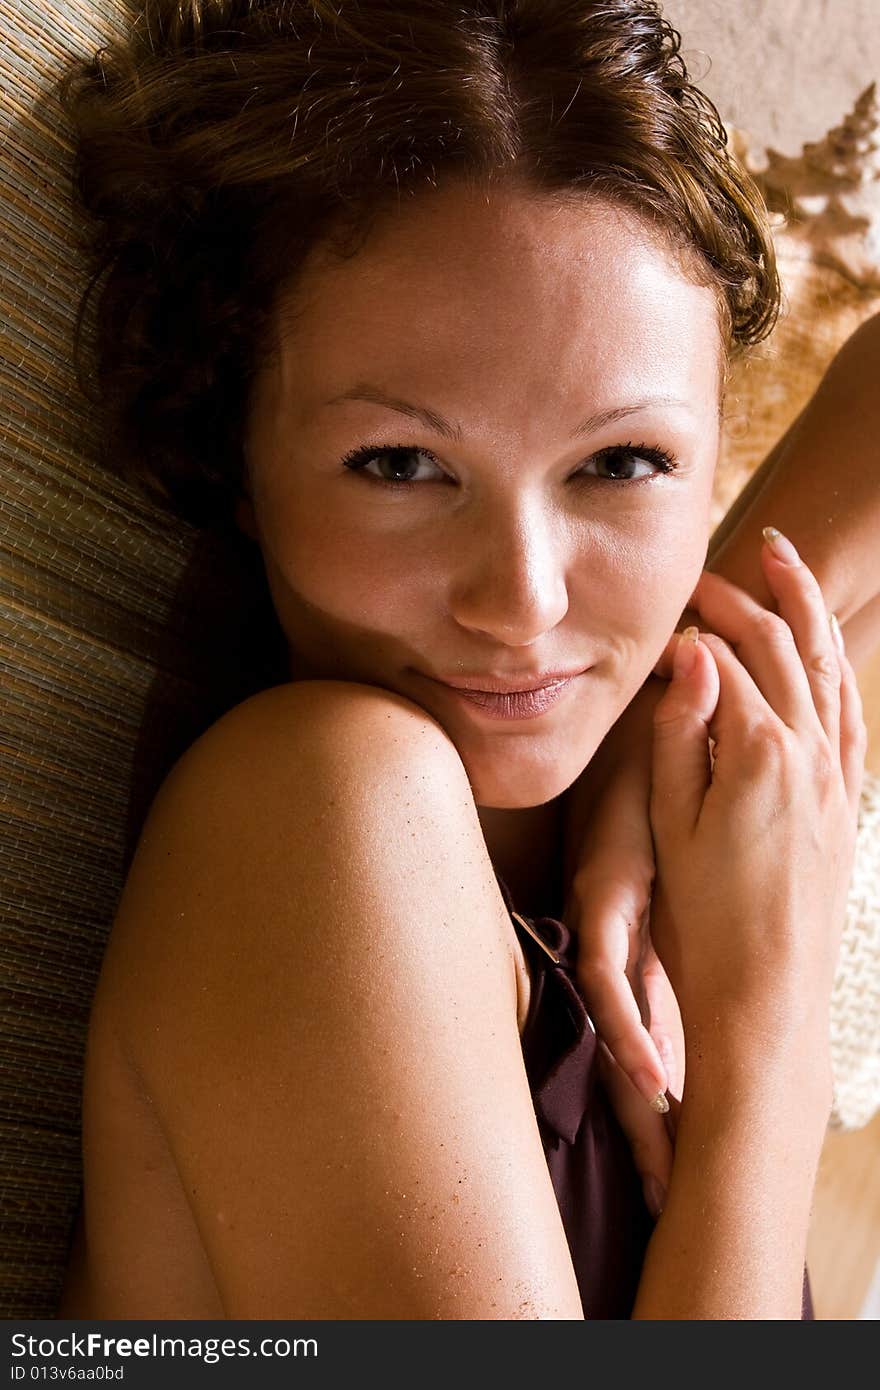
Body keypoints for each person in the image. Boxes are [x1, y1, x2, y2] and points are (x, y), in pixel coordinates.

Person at [55, 0, 874, 1319]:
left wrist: (680, 676)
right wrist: (769, 1056)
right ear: (243, 462)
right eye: (402, 465)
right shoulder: (325, 802)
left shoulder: (644, 832)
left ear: (718, 458)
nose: (524, 601)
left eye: (622, 462)